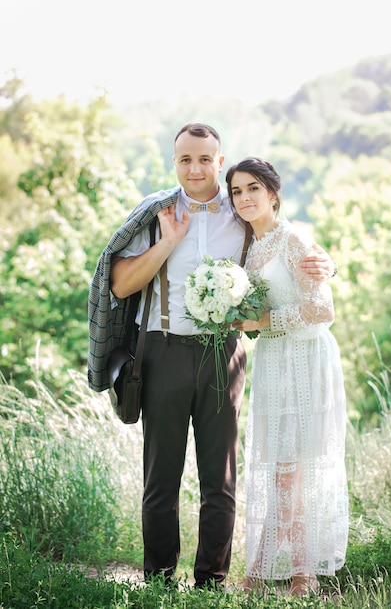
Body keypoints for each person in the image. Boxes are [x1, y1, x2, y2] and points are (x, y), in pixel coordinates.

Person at [87, 125, 336, 589]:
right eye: (185, 159)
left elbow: (282, 242)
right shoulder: (155, 213)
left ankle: (211, 582)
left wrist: (327, 264)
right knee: (160, 477)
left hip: (223, 356)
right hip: (161, 352)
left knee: (219, 480)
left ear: (219, 163)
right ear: (175, 161)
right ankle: (159, 581)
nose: (195, 168)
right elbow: (119, 284)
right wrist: (167, 242)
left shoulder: (240, 211)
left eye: (205, 159)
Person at [226, 157, 348, 596]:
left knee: (291, 469)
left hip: (306, 358)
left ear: (273, 194)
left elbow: (323, 309)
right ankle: (263, 567)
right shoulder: (249, 247)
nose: (244, 198)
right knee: (278, 464)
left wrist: (264, 322)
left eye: (253, 188)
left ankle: (300, 573)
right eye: (237, 191)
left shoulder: (294, 238)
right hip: (274, 362)